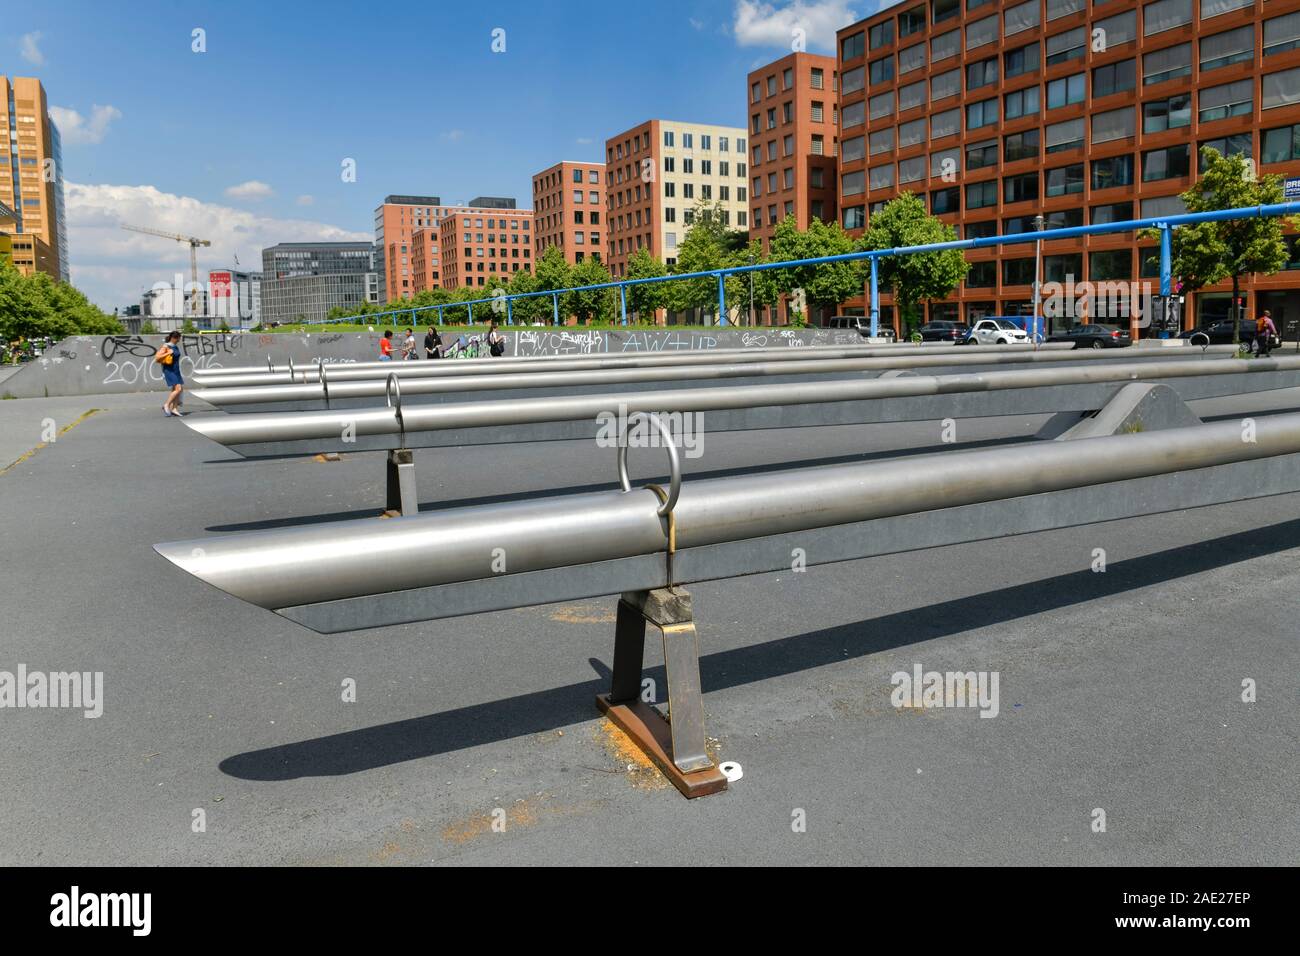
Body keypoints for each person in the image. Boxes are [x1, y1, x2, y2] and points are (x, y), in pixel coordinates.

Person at [154, 331, 185, 416]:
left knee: (176, 389)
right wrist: (168, 352)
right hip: (169, 370)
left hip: (176, 370)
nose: (179, 340)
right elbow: (157, 357)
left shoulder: (175, 346)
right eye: (179, 338)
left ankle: (174, 409)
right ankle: (166, 405)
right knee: (178, 389)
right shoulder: (166, 346)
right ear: (175, 338)